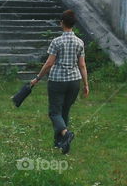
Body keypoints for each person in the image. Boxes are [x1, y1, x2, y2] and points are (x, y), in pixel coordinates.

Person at [30, 10, 89, 152]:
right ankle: (61, 144)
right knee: (64, 112)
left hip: (57, 81)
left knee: (54, 112)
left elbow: (49, 63)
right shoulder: (80, 42)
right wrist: (86, 84)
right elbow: (82, 65)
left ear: (62, 23)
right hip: (74, 81)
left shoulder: (56, 42)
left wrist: (38, 78)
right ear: (73, 24)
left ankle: (66, 134)